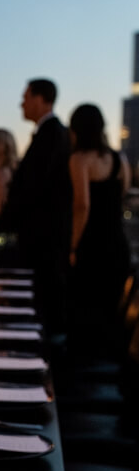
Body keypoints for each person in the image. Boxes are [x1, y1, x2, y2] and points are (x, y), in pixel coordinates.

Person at [5, 78, 72, 340]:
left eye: (25, 98)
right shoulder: (50, 133)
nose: (21, 104)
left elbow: (35, 187)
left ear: (41, 99)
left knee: (45, 305)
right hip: (42, 237)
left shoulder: (52, 134)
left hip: (44, 238)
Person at [68, 103, 131, 354]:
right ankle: (109, 364)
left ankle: (85, 365)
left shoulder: (79, 159)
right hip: (117, 243)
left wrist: (73, 246)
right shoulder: (119, 159)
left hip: (91, 247)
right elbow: (123, 193)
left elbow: (82, 205)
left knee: (86, 311)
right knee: (110, 311)